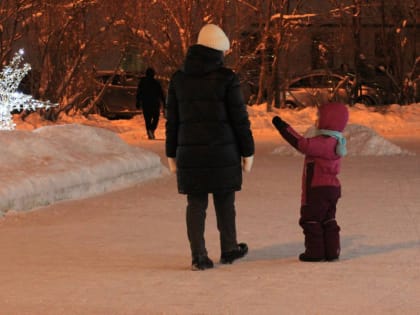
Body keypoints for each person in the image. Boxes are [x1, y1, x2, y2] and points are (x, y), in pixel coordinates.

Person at [165, 24, 255, 271]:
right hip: (223, 151)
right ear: (218, 50)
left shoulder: (179, 79)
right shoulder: (227, 78)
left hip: (190, 154)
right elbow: (239, 118)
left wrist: (171, 152)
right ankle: (229, 249)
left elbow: (172, 120)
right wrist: (248, 150)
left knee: (196, 204)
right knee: (225, 201)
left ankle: (199, 256)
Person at [272, 102, 349, 262]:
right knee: (328, 219)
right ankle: (331, 251)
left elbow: (301, 143)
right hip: (332, 189)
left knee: (311, 219)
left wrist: (283, 127)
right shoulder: (337, 142)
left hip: (317, 189)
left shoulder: (323, 142)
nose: (317, 119)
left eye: (320, 116)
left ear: (329, 120)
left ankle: (315, 252)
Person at [136, 67, 165, 139]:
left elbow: (139, 93)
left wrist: (138, 102)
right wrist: (164, 102)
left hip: (146, 104)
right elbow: (161, 93)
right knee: (156, 118)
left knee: (147, 119)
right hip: (155, 103)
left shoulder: (142, 82)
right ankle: (152, 129)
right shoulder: (156, 83)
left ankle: (149, 130)